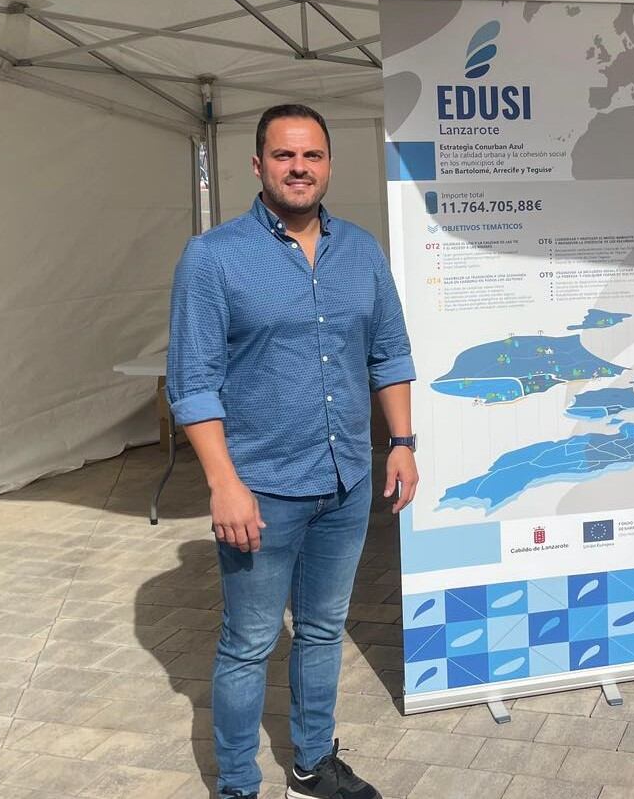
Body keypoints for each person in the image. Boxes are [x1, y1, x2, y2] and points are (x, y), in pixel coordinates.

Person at [167, 103, 418, 799]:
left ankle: (311, 764)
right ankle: (238, 786)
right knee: (247, 645)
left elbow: (389, 353)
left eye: (311, 156)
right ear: (257, 165)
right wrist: (223, 483)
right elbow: (192, 385)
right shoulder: (213, 258)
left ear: (329, 165)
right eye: (284, 155)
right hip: (262, 488)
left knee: (321, 630)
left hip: (346, 481)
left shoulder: (361, 251)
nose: (298, 168)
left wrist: (401, 442)